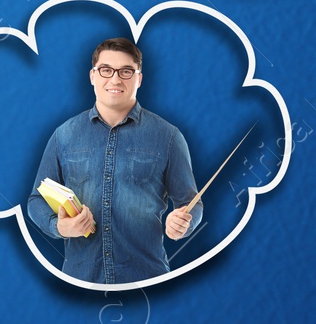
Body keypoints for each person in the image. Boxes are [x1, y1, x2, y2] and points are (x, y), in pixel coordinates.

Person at [27, 38, 201, 283]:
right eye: (106, 70)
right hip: (80, 282)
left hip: (147, 281)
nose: (115, 79)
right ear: (92, 76)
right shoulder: (63, 135)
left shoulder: (169, 136)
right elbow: (36, 200)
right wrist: (59, 227)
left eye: (126, 71)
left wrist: (184, 222)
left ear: (139, 78)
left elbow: (191, 202)